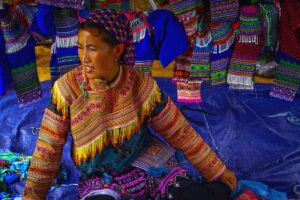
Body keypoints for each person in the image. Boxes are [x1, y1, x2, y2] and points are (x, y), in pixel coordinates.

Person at [23, 9, 237, 200]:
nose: (84, 58)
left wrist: (216, 171)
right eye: (80, 48)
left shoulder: (141, 85)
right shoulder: (66, 89)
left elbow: (180, 132)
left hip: (151, 165)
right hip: (103, 180)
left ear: (117, 51)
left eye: (92, 49)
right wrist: (32, 197)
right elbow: (47, 150)